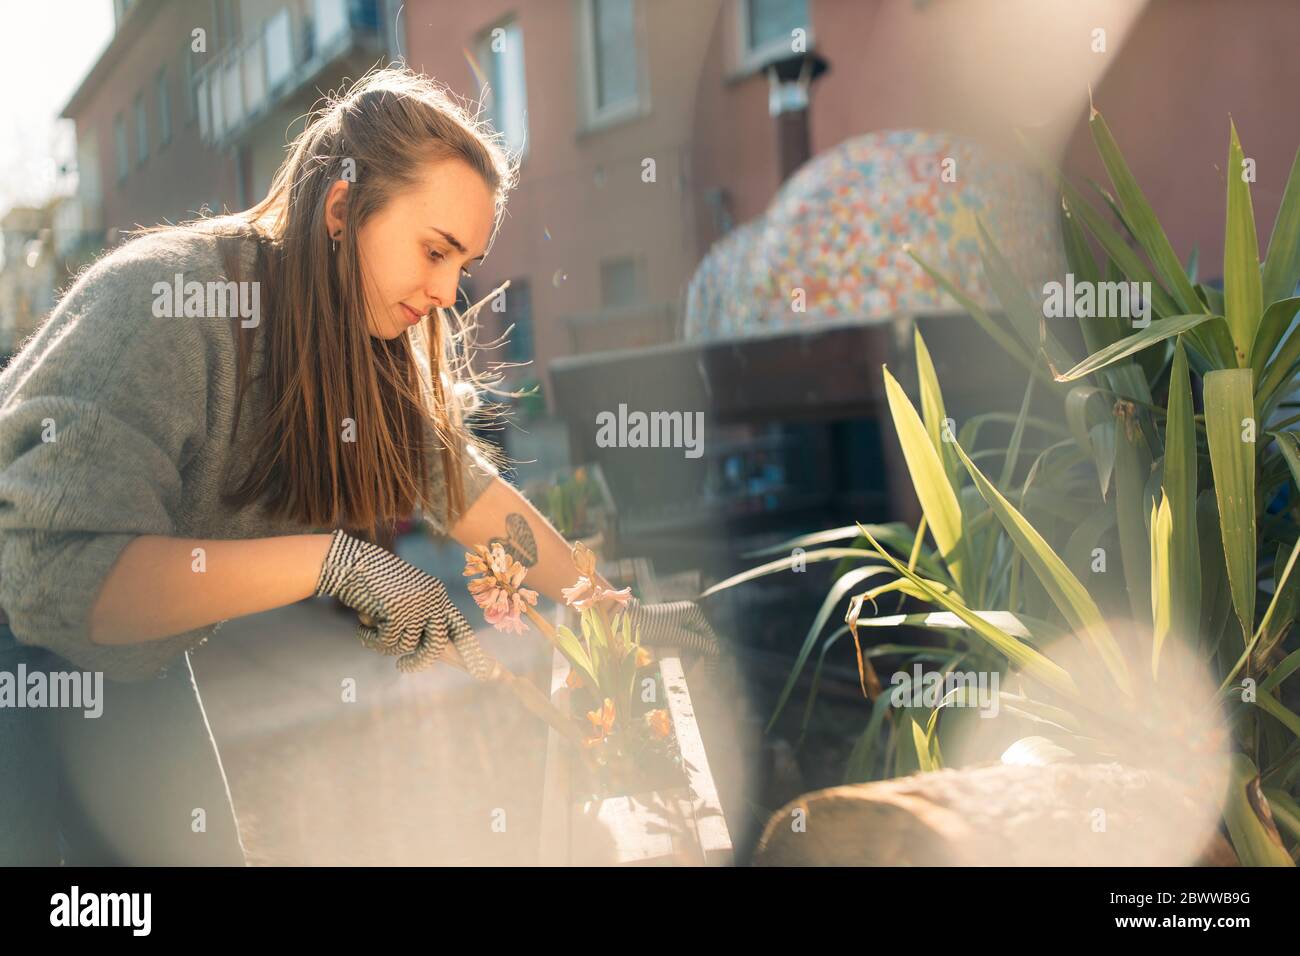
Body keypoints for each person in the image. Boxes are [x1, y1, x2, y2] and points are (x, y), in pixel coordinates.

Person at [0, 66, 719, 865]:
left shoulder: (360, 343)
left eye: (464, 264)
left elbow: (465, 491)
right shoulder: (167, 305)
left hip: (132, 665)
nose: (449, 291)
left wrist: (600, 606)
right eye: (435, 250)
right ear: (342, 208)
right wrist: (336, 564)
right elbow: (62, 582)